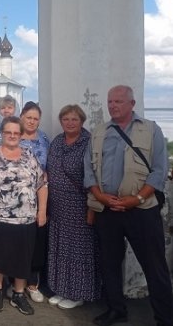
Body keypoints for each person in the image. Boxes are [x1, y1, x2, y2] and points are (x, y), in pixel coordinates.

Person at [84, 85, 173, 326]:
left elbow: (159, 171)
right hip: (107, 209)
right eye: (110, 101)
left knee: (154, 266)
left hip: (141, 210)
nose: (113, 105)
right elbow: (89, 171)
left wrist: (137, 199)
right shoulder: (99, 132)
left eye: (119, 101)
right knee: (109, 264)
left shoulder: (150, 130)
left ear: (132, 104)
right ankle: (116, 310)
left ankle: (165, 318)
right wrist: (99, 196)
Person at [0, 116, 47, 315]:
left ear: (21, 135)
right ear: (2, 134)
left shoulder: (30, 156)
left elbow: (42, 184)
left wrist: (42, 211)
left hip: (26, 218)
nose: (12, 136)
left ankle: (18, 294)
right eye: (8, 132)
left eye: (16, 133)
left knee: (23, 258)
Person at [46, 104, 100, 309]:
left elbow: (95, 176)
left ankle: (78, 294)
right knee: (59, 248)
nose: (69, 123)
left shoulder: (88, 143)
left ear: (82, 121)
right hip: (58, 207)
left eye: (74, 119)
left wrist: (92, 209)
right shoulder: (57, 141)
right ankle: (61, 289)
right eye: (66, 119)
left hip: (79, 207)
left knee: (78, 251)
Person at [18, 101, 50, 303]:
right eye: (28, 117)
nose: (31, 121)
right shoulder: (12, 137)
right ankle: (15, 281)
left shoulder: (44, 139)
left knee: (37, 241)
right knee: (17, 241)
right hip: (15, 200)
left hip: (39, 198)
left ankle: (32, 282)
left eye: (35, 118)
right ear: (21, 116)